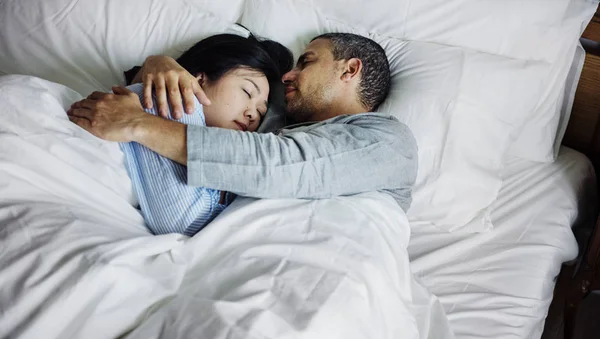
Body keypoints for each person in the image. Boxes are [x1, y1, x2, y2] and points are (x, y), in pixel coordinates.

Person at [68, 33, 418, 213]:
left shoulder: (388, 140)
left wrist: (138, 124)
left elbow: (279, 165)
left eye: (306, 62)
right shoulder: (274, 128)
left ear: (350, 70)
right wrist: (160, 65)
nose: (290, 75)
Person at [111, 33, 293, 236]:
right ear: (199, 79)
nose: (252, 114)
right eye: (247, 92)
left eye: (260, 112)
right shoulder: (177, 97)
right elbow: (184, 220)